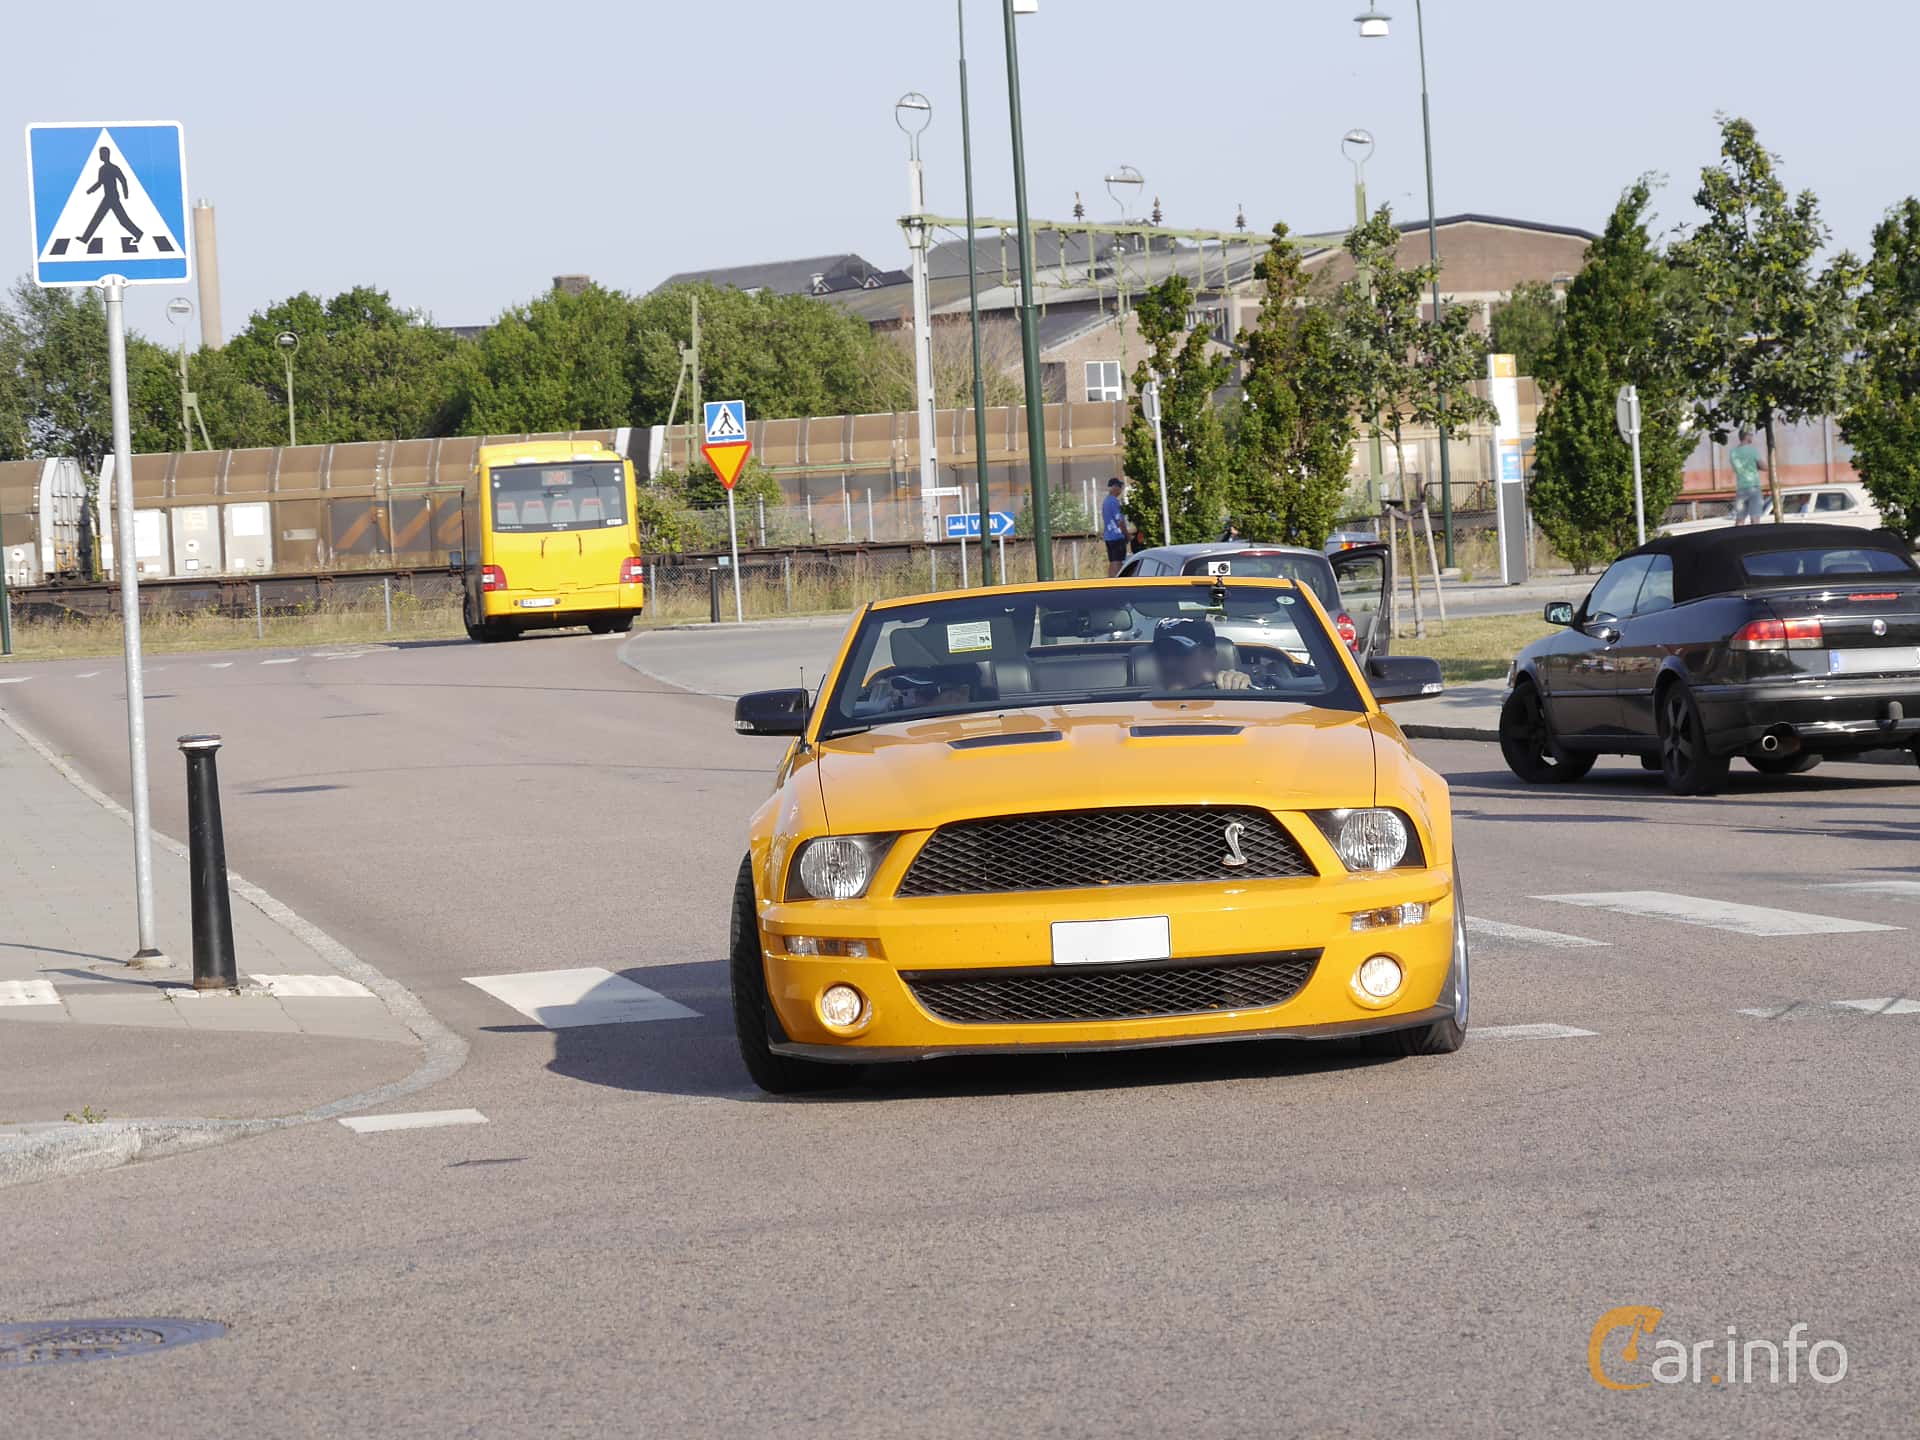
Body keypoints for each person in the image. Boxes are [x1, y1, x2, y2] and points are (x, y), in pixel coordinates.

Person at [1150, 617, 1251, 692]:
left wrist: (1240, 685)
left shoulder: (1229, 691)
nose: (1169, 661)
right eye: (1162, 652)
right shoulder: (1141, 701)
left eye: (1181, 653)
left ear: (1210, 656)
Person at [1728, 429, 1768, 525]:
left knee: (1740, 519)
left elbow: (1737, 469)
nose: (1752, 437)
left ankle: (1738, 539)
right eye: (1751, 435)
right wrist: (1760, 467)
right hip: (1754, 487)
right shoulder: (1752, 450)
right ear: (1746, 436)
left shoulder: (1733, 452)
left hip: (1741, 488)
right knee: (1755, 519)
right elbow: (1763, 466)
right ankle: (1755, 539)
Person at [1102, 477, 1128, 576]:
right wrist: (1126, 534)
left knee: (1113, 561)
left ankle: (1111, 581)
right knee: (1118, 561)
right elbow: (1119, 521)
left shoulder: (1106, 501)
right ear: (1115, 487)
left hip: (1108, 536)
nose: (1121, 490)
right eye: (1120, 487)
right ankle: (1117, 582)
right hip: (1117, 536)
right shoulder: (1114, 501)